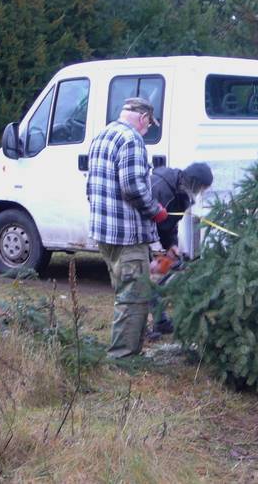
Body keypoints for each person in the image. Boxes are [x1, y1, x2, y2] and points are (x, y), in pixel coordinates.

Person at [86, 97, 168, 359]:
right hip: (127, 236)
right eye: (149, 125)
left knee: (125, 292)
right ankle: (123, 358)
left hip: (105, 234)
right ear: (143, 118)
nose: (147, 130)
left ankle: (126, 349)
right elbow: (132, 186)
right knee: (134, 297)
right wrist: (155, 210)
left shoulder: (102, 136)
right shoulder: (132, 140)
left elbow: (91, 187)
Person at [147, 162, 213, 336]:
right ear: (193, 181)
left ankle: (159, 321)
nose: (200, 193)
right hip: (140, 236)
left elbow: (171, 223)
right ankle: (143, 327)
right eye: (200, 188)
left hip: (157, 238)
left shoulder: (183, 195)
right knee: (142, 283)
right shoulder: (160, 188)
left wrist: (172, 245)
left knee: (159, 276)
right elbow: (150, 219)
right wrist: (157, 248)